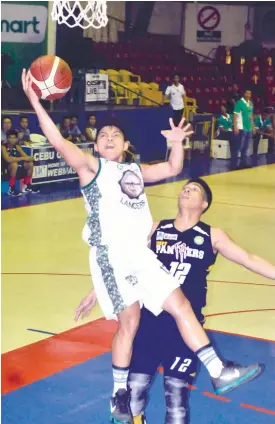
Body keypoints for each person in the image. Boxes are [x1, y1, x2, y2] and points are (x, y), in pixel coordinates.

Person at [22, 69, 262, 424]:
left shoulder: (134, 170)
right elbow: (58, 142)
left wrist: (177, 140)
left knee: (180, 303)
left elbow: (173, 166)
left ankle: (218, 369)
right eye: (102, 134)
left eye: (115, 134)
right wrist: (34, 102)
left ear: (125, 145)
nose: (107, 137)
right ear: (95, 145)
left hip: (141, 254)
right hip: (113, 255)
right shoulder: (92, 169)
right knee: (129, 322)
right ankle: (119, 396)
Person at [129, 177, 272, 424]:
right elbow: (126, 264)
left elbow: (248, 258)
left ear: (204, 204)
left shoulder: (212, 234)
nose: (187, 190)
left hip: (186, 329)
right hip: (149, 323)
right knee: (134, 394)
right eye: (185, 188)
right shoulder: (154, 229)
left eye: (194, 189)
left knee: (176, 399)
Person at [1, 130, 39, 196]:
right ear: (7, 138)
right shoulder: (3, 147)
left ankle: (27, 186)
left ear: (16, 139)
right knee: (14, 164)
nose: (12, 140)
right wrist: (22, 158)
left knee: (30, 164)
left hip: (16, 169)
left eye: (14, 138)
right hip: (4, 170)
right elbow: (8, 160)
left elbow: (26, 157)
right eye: (10, 138)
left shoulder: (17, 147)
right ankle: (11, 188)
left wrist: (31, 158)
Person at [233, 89, 255, 169]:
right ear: (244, 94)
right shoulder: (239, 103)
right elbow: (235, 115)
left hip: (248, 128)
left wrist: (253, 126)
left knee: (246, 147)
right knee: (238, 147)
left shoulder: (250, 103)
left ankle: (243, 163)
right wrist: (235, 126)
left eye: (250, 93)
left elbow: (251, 115)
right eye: (247, 93)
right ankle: (235, 165)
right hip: (241, 127)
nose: (248, 95)